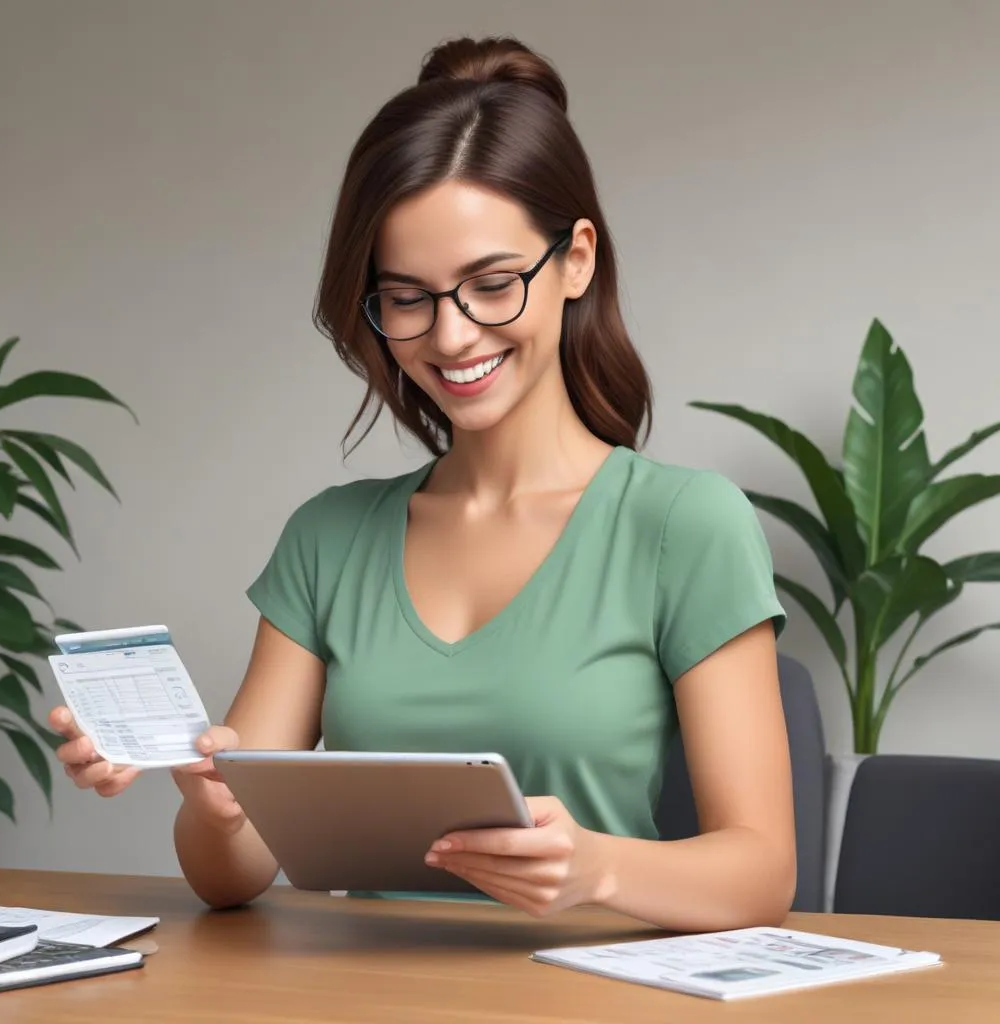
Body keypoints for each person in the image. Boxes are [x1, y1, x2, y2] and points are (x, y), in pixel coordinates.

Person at [49, 35, 796, 931]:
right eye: (407, 297)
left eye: (490, 284)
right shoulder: (329, 539)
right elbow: (229, 878)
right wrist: (219, 803)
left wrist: (593, 869)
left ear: (576, 261)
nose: (450, 337)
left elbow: (761, 871)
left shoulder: (683, 525)